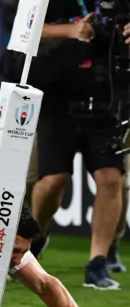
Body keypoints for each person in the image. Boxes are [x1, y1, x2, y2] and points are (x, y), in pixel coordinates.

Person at [25, 3, 123, 290]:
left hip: (106, 99)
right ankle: (36, 238)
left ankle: (98, 263)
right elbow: (25, 30)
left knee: (111, 178)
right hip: (58, 100)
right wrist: (70, 30)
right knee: (53, 180)